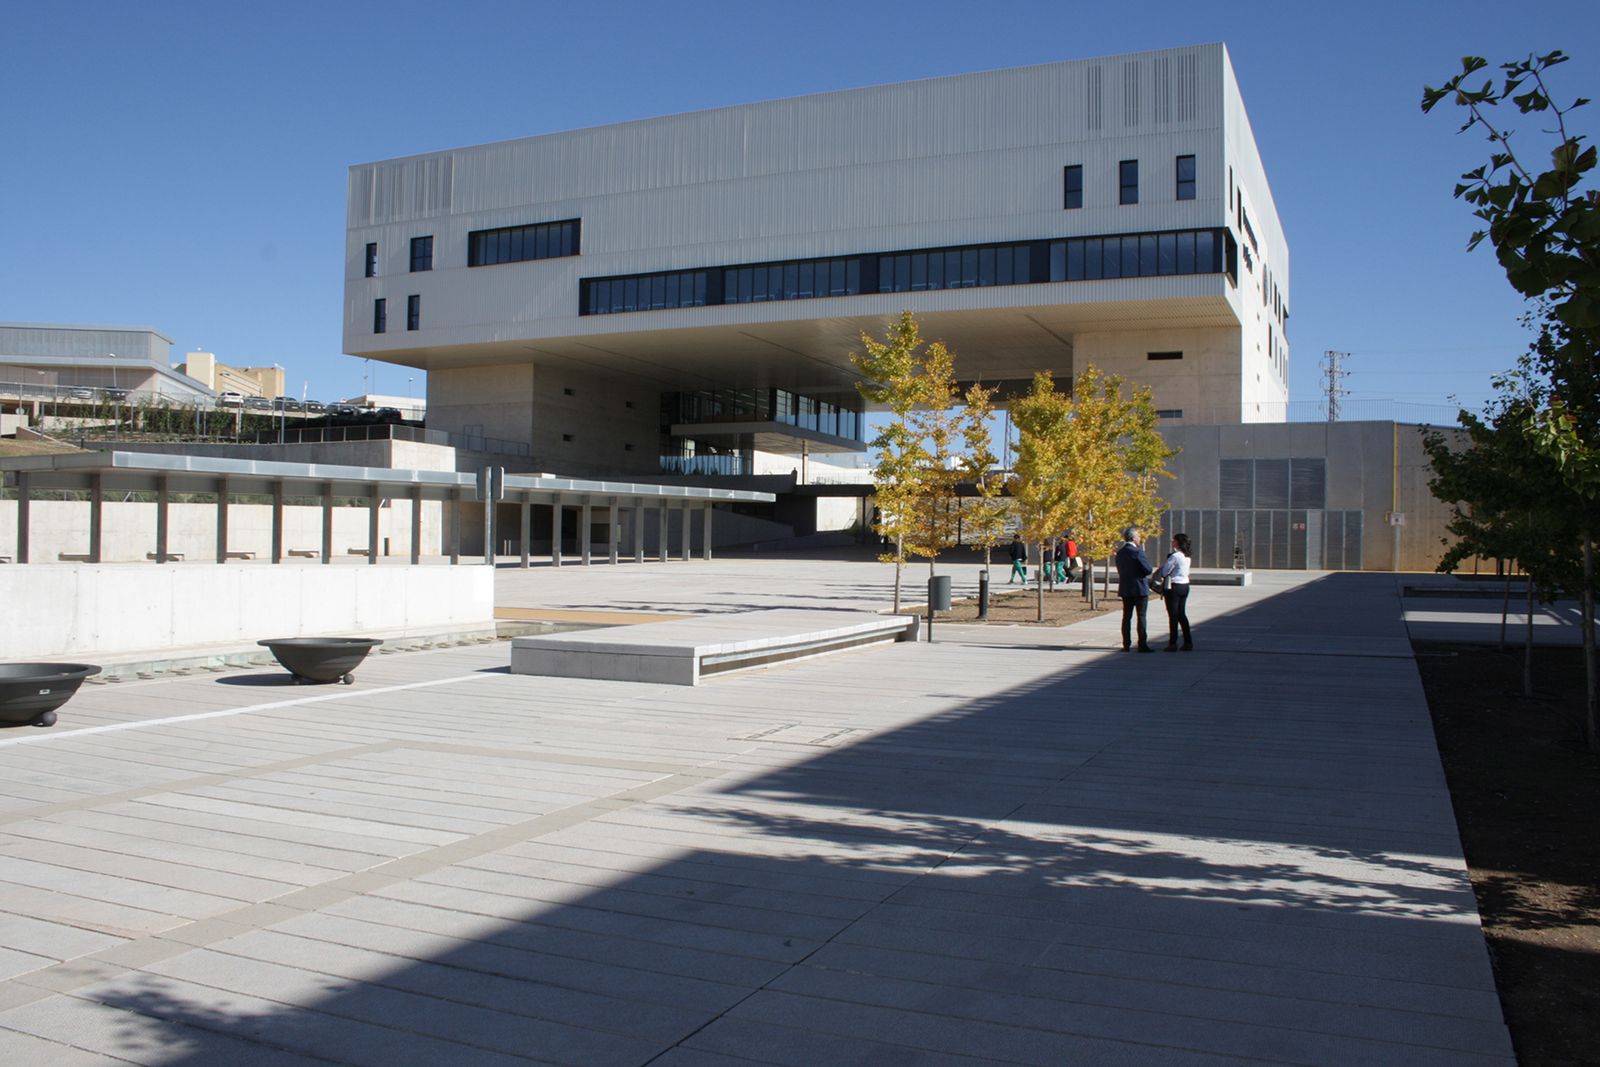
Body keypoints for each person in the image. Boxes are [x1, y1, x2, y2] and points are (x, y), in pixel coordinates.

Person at [1114, 527, 1154, 652]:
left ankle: (1126, 644)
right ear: (1133, 538)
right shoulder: (1137, 552)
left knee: (1126, 617)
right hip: (1139, 587)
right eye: (1138, 536)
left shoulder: (1120, 553)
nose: (1140, 539)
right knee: (1141, 616)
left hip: (1126, 587)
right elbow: (1148, 569)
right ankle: (1142, 644)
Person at [1156, 532, 1194, 651]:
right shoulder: (1187, 557)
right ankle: (1188, 641)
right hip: (1185, 585)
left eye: (1174, 540)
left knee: (1173, 615)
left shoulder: (1175, 556)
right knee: (1181, 614)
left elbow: (1165, 572)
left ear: (1178, 542)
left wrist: (1162, 568)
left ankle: (1173, 643)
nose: (1172, 541)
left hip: (1174, 586)